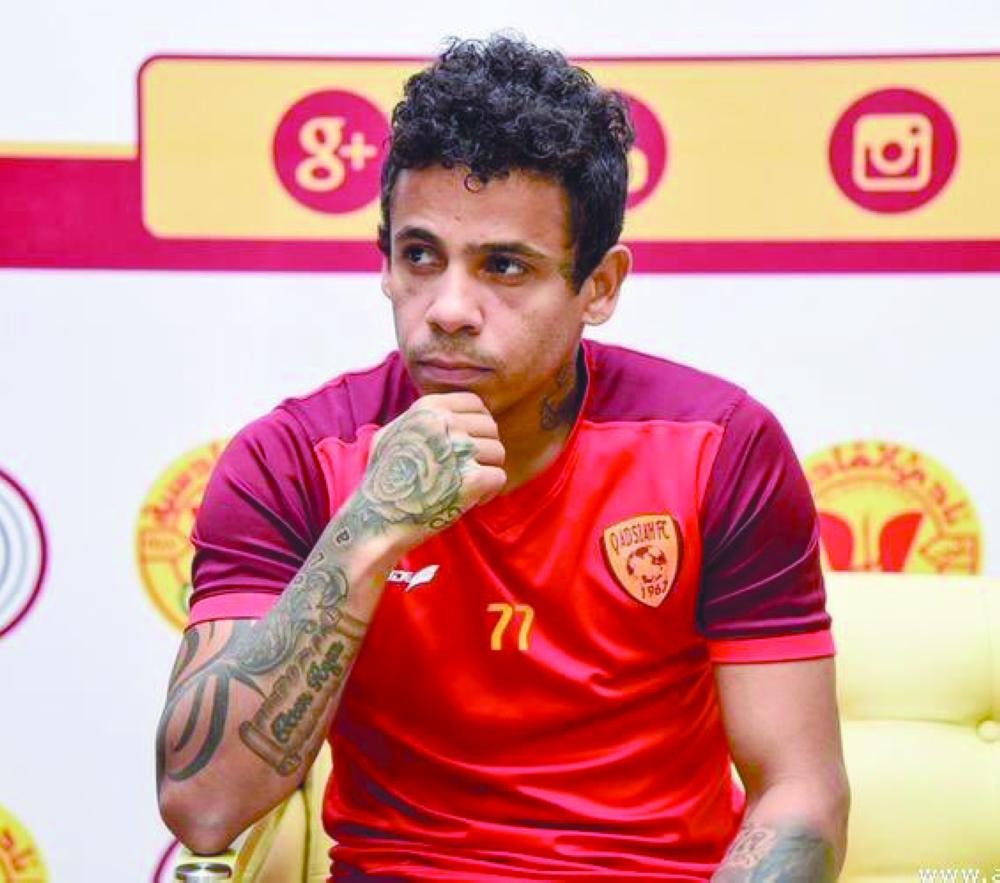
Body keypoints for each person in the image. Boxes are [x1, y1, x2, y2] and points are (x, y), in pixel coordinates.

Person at [156, 35, 849, 881]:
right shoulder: (292, 461)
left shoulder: (718, 447)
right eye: (420, 256)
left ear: (600, 286)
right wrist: (370, 527)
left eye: (505, 266)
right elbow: (205, 806)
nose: (448, 308)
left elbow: (801, 793)